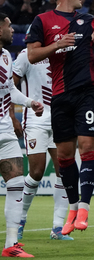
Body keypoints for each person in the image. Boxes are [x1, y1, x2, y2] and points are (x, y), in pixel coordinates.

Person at [25, 0, 94, 235]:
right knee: (63, 156)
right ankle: (73, 208)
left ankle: (84, 207)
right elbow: (32, 55)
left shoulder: (89, 19)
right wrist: (57, 45)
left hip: (88, 91)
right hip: (60, 95)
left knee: (87, 147)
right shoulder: (42, 20)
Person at [12, 49, 71, 242]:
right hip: (36, 120)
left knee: (64, 170)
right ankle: (20, 220)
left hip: (61, 118)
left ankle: (57, 227)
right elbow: (9, 87)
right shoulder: (26, 54)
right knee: (36, 172)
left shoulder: (62, 51)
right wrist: (13, 117)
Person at [0, 13, 44, 258]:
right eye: (8, 26)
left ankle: (11, 244)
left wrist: (30, 102)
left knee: (16, 184)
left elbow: (10, 90)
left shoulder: (7, 56)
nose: (12, 31)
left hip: (5, 131)